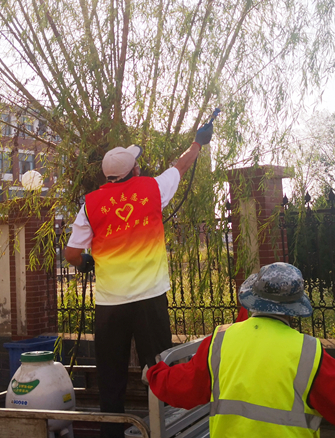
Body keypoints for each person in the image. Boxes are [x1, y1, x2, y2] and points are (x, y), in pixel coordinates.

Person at [64, 123, 214, 438]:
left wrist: (85, 262)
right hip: (150, 300)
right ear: (134, 170)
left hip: (110, 306)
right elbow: (181, 166)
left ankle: (111, 434)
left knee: (111, 375)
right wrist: (198, 143)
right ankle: (166, 428)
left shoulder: (90, 205)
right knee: (160, 369)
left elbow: (72, 253)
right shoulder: (152, 188)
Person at [147, 262, 335, 437]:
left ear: (252, 299)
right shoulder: (308, 352)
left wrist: (154, 373)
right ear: (294, 307)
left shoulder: (220, 341)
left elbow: (182, 388)